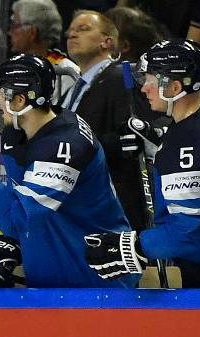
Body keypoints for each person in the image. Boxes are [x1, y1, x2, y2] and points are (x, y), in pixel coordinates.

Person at [83, 40, 200, 288]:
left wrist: (134, 247)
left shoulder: (188, 147)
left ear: (174, 87)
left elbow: (188, 234)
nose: (144, 89)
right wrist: (163, 138)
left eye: (150, 80)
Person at [0, 53, 138, 288]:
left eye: (1, 92)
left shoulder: (65, 146)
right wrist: (7, 243)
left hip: (97, 284)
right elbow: (18, 202)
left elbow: (21, 220)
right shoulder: (18, 133)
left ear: (20, 100)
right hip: (55, 282)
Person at [64, 10, 153, 232]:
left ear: (107, 42)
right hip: (80, 197)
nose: (72, 35)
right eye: (70, 31)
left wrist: (79, 148)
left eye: (83, 29)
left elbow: (130, 138)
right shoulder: (73, 88)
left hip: (112, 202)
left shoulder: (119, 78)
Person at [8, 0, 78, 104]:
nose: (9, 32)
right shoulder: (13, 67)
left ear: (32, 32)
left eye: (15, 25)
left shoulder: (65, 72)